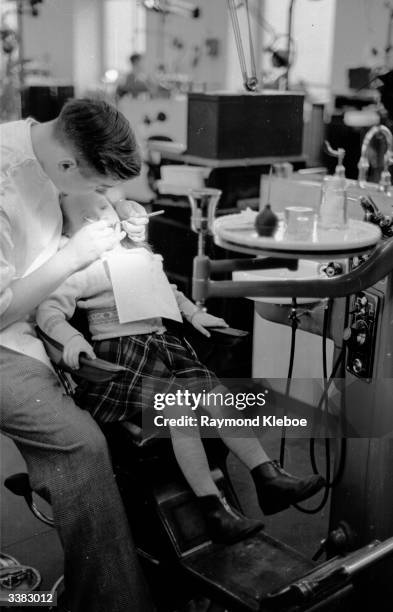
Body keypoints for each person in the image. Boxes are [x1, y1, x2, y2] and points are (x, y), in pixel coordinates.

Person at [36, 191, 326, 545]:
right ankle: (214, 509)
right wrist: (72, 341)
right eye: (91, 218)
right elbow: (49, 311)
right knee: (179, 410)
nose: (107, 218)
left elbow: (169, 292)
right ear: (72, 237)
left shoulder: (140, 256)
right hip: (123, 356)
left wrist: (194, 313)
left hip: (165, 346)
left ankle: (268, 477)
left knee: (219, 397)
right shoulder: (84, 270)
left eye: (107, 209)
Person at [0, 98, 154, 612]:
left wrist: (119, 215)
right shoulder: (3, 178)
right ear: (68, 166)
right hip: (3, 334)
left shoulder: (53, 152)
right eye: (97, 184)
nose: (103, 195)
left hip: (39, 314)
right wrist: (74, 255)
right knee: (83, 445)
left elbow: (62, 225)